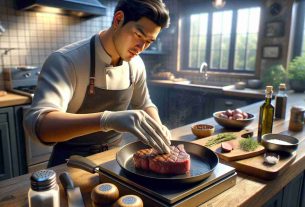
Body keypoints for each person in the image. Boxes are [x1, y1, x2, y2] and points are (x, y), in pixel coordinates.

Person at [23, 0, 172, 167]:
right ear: (118, 20)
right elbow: (40, 126)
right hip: (69, 165)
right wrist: (106, 120)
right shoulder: (67, 61)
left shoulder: (136, 64)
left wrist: (157, 129)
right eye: (138, 35)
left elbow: (144, 103)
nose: (141, 47)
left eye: (149, 41)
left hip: (114, 162)